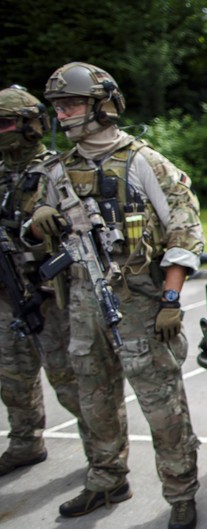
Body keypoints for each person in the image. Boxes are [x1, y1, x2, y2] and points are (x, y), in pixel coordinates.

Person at [31, 62, 204, 529]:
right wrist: (40, 218)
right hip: (82, 303)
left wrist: (171, 300)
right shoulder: (55, 170)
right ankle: (107, 477)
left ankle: (181, 493)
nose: (63, 113)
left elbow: (185, 232)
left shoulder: (143, 161)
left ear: (104, 105)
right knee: (93, 396)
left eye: (73, 103)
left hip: (140, 300)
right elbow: (35, 240)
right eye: (58, 106)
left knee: (161, 403)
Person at [0, 85, 94, 477]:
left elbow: (84, 229)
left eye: (4, 124)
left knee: (69, 380)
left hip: (49, 293)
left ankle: (103, 457)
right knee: (12, 374)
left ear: (30, 126)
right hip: (7, 293)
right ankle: (25, 442)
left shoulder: (58, 170)